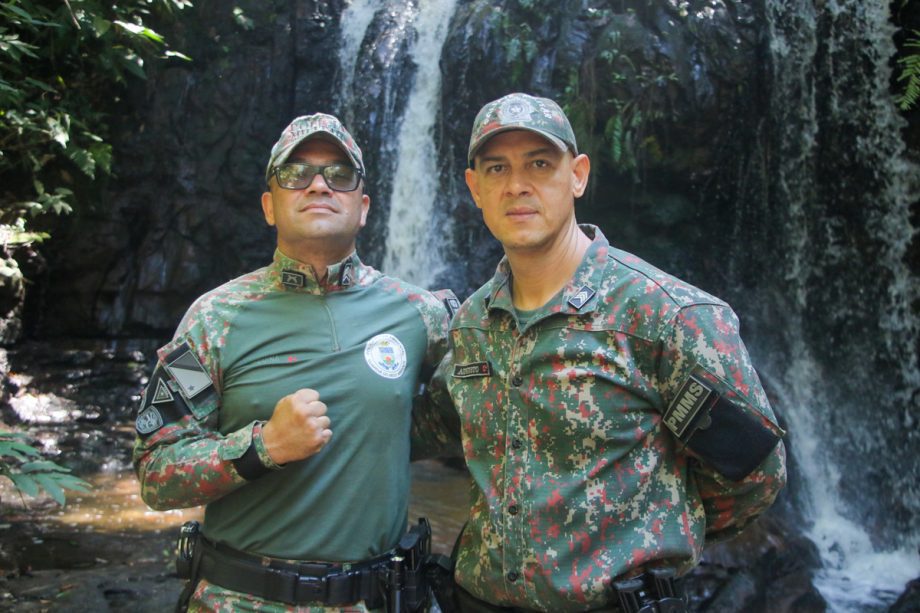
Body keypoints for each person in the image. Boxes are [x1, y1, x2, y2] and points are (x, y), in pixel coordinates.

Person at [441, 93, 787, 612]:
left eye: (540, 164)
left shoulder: (666, 317)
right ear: (475, 188)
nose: (516, 185)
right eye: (497, 168)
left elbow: (753, 476)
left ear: (578, 175)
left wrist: (651, 538)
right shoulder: (471, 323)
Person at [132, 113, 459, 612]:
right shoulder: (213, 320)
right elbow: (155, 472)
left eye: (340, 175)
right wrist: (262, 446)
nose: (319, 185)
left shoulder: (421, 314)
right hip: (241, 601)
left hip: (379, 600)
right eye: (295, 173)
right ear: (269, 205)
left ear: (363, 207)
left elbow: (472, 412)